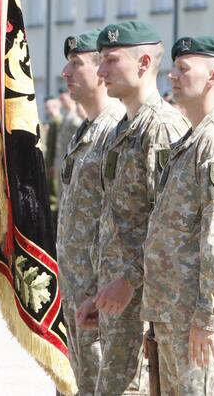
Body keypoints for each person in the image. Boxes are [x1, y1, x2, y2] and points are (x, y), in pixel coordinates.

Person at [77, 21, 189, 395]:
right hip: (118, 301)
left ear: (143, 63)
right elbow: (119, 220)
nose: (100, 70)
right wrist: (99, 290)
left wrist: (127, 281)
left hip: (144, 303)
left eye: (110, 60)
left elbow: (169, 225)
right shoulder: (121, 129)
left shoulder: (161, 128)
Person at [142, 36, 214, 395]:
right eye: (173, 67)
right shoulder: (193, 138)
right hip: (174, 318)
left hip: (199, 323)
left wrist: (209, 318)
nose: (171, 76)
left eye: (183, 69)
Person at [57, 29, 124, 395]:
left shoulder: (115, 131)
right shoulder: (85, 129)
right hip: (76, 287)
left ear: (100, 70)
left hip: (99, 295)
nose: (66, 72)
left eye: (76, 63)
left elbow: (124, 218)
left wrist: (100, 290)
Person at [55, 87, 83, 201]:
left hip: (70, 166)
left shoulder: (75, 119)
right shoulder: (67, 117)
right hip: (62, 163)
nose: (61, 101)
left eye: (63, 97)